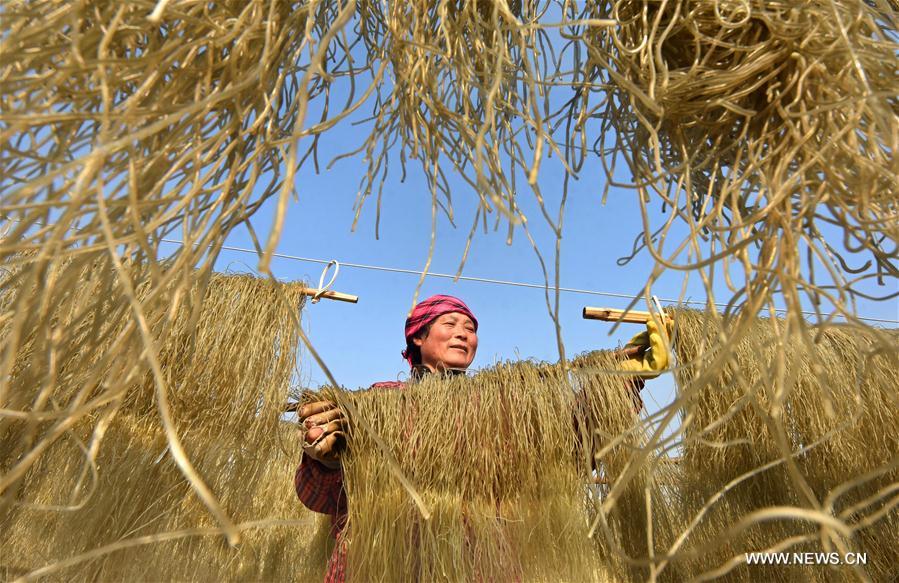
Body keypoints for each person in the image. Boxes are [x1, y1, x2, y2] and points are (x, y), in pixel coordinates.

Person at [294, 294, 669, 582]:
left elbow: (567, 453)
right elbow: (318, 496)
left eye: (471, 329)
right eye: (450, 323)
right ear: (419, 337)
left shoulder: (503, 407)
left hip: (482, 567)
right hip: (384, 567)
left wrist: (618, 382)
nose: (463, 333)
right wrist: (325, 456)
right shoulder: (376, 403)